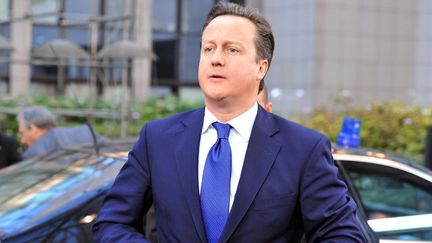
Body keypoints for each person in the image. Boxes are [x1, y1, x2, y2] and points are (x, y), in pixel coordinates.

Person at [93, 2, 366, 243]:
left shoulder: (303, 148)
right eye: (208, 48)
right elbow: (111, 223)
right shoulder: (158, 138)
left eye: (231, 50)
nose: (216, 59)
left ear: (261, 67)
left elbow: (343, 234)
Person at [17, 106, 101, 159]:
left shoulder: (32, 155)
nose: (22, 140)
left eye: (22, 133)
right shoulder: (85, 131)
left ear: (33, 128)